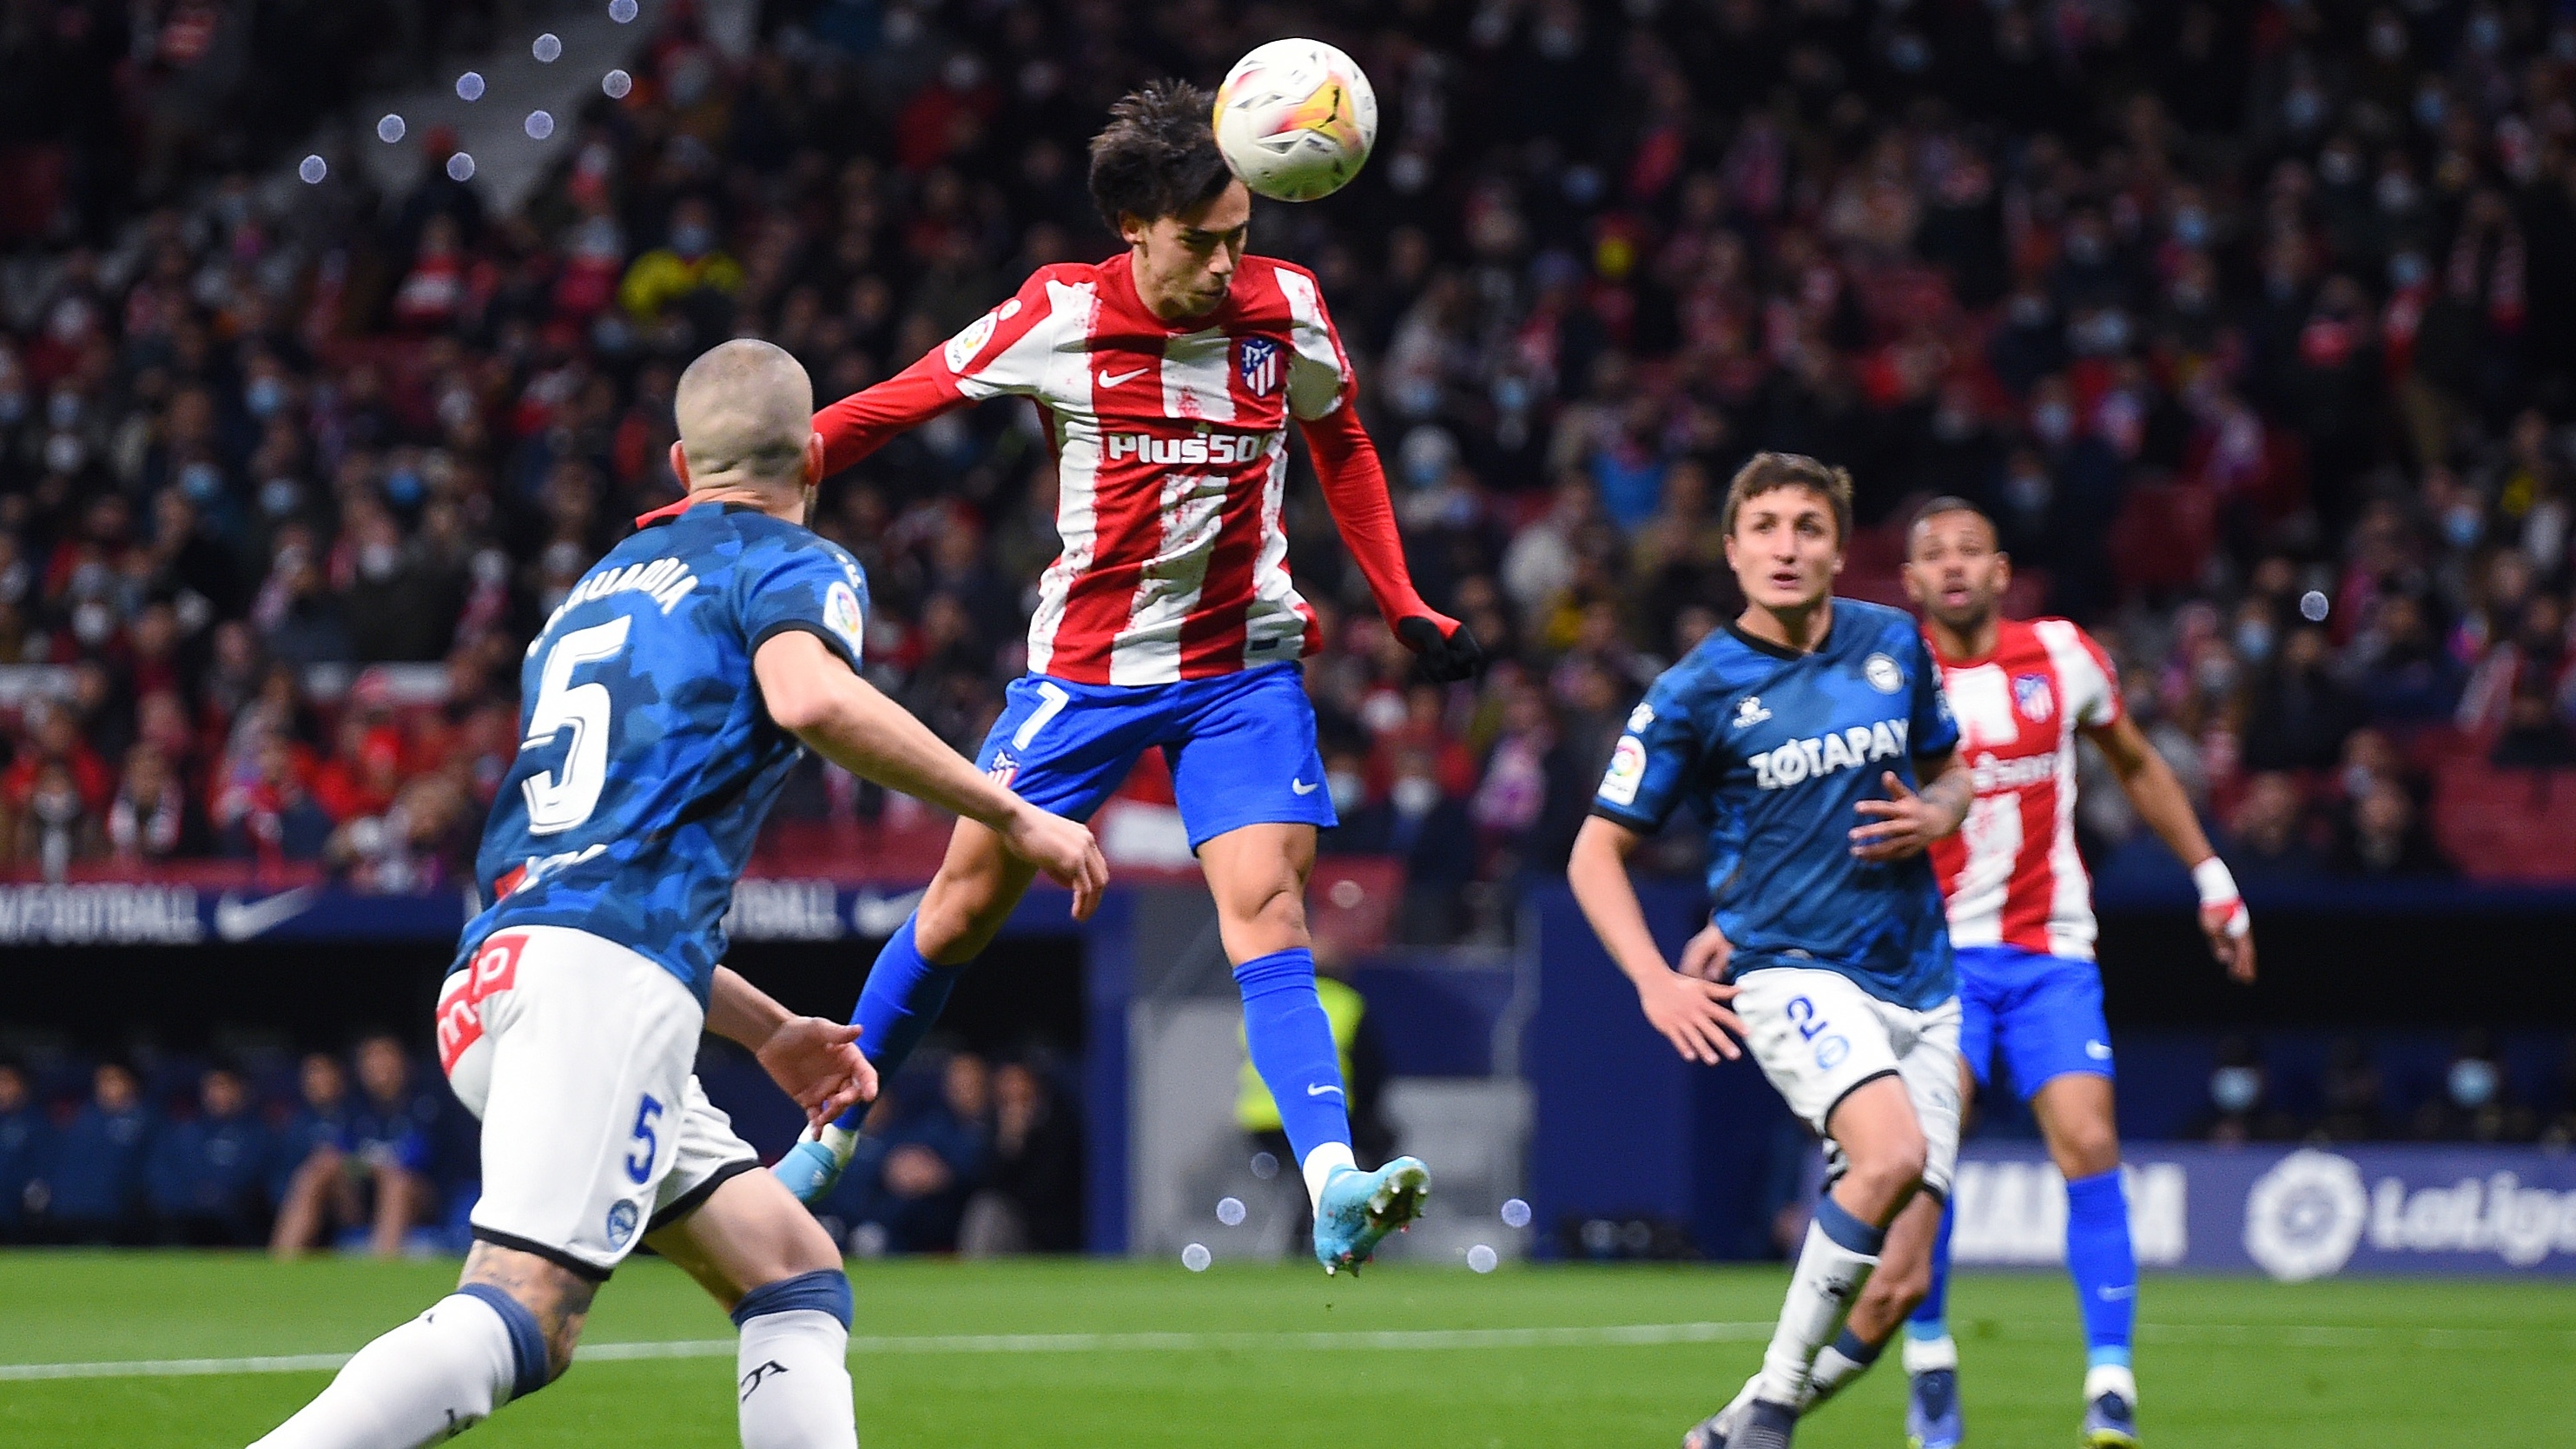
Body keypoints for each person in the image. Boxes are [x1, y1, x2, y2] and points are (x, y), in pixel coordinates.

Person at [244, 337, 1107, 1449]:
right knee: (524, 1313)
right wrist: (1008, 809)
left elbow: (607, 870)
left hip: (502, 973)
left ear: (675, 462)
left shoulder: (587, 599)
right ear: (813, 459)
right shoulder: (788, 562)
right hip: (592, 988)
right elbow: (807, 699)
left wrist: (767, 1031)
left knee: (791, 1270)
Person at [772, 81, 1476, 1273]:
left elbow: (1341, 441)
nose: (1225, 264)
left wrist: (1398, 594)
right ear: (1134, 228)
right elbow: (893, 407)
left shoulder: (1286, 311)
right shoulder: (1057, 315)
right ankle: (832, 1138)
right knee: (957, 910)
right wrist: (737, 487)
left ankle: (1333, 1180)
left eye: (1240, 237)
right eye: (1201, 243)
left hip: (1242, 668)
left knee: (1269, 911)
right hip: (1085, 674)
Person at [1566, 453, 1973, 1449]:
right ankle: (1773, 1416)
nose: (1785, 547)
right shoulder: (1695, 690)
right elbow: (1593, 854)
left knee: (1898, 1289)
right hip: (1791, 967)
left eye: (1806, 526)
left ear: (1838, 547)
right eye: (1765, 527)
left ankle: (1729, 1427)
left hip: (1921, 979)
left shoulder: (1891, 644)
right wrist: (1652, 980)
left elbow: (1950, 770)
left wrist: (1935, 814)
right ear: (1731, 548)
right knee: (1885, 1158)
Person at [1843, 495, 2257, 1449]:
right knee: (1923, 1165)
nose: (1951, 566)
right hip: (1931, 958)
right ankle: (1931, 1361)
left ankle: (2109, 1386)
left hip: (2046, 950)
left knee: (2086, 1141)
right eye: (1930, 555)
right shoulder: (1885, 676)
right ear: (1908, 584)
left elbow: (2138, 761)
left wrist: (2211, 878)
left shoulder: (2063, 655)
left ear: (2000, 571)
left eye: (1968, 551)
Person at [149, 1065, 274, 1246]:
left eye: (223, 1086)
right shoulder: (187, 1131)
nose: (216, 1094)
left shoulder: (260, 1134)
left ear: (240, 1089)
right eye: (211, 1087)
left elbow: (258, 1179)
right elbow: (162, 1176)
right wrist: (195, 1197)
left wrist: (222, 1197)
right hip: (188, 1219)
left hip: (241, 1223)